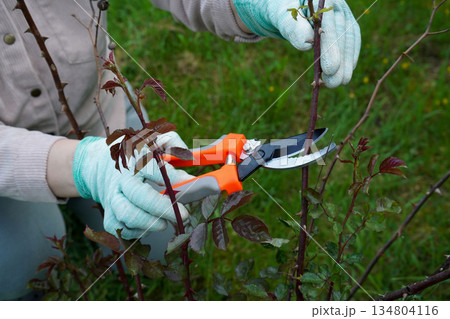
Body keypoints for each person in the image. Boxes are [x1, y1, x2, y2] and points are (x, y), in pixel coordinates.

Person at [0, 0, 360, 300]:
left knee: (159, 240)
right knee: (25, 270)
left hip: (104, 123)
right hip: (11, 166)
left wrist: (251, 4)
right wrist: (80, 166)